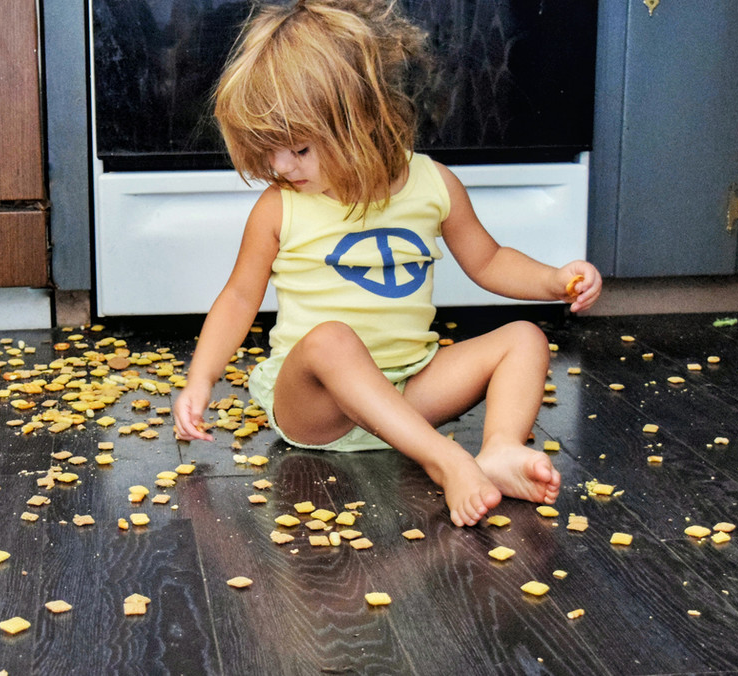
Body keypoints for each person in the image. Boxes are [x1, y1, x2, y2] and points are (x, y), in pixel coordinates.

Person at [172, 0, 602, 527]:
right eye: (270, 151)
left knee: (525, 339)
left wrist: (554, 280)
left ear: (361, 119)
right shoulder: (280, 207)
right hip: (317, 408)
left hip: (410, 391)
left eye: (300, 149)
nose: (280, 168)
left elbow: (489, 262)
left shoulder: (432, 184)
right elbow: (240, 297)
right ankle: (445, 460)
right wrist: (201, 378)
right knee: (331, 339)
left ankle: (500, 450)